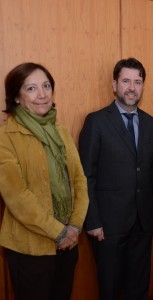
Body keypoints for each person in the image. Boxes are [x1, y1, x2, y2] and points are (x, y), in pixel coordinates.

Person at [78, 57, 153, 300]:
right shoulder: (96, 121)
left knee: (138, 285)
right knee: (109, 286)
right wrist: (93, 220)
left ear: (143, 86)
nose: (132, 87)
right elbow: (86, 176)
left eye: (137, 82)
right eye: (126, 81)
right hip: (108, 225)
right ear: (114, 85)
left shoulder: (151, 124)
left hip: (142, 220)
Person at [0, 62, 89, 300]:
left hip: (68, 244)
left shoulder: (60, 129)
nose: (42, 94)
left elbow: (79, 179)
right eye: (31, 88)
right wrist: (58, 232)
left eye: (46, 86)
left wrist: (74, 227)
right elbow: (17, 196)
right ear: (16, 97)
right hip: (30, 250)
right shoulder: (5, 137)